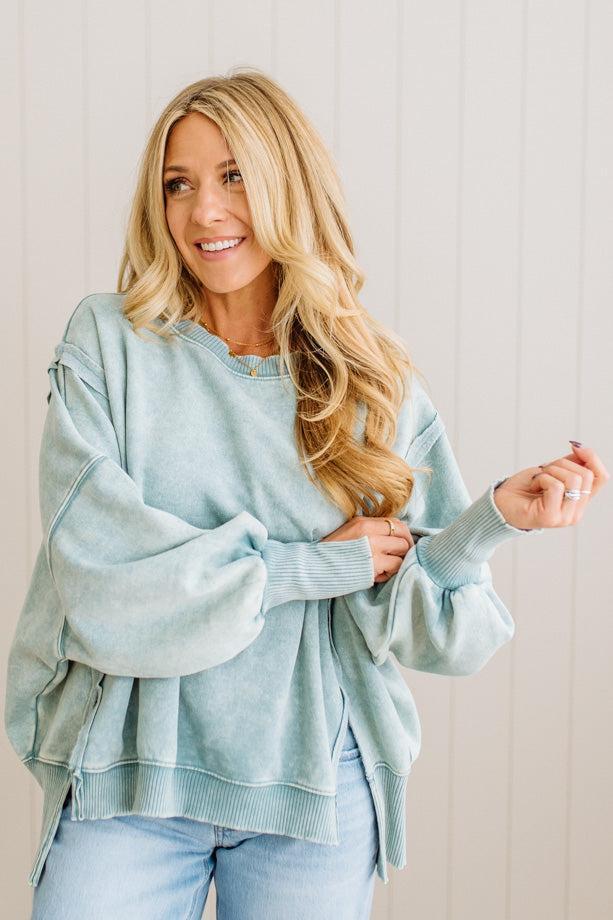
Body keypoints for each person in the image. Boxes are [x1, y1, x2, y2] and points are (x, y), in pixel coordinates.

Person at [4, 68, 608, 920]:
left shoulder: (371, 383)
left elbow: (437, 629)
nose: (203, 211)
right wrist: (303, 569)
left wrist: (487, 525)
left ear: (289, 187)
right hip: (134, 779)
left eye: (234, 177)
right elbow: (101, 578)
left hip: (315, 791)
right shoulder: (109, 344)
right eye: (179, 185)